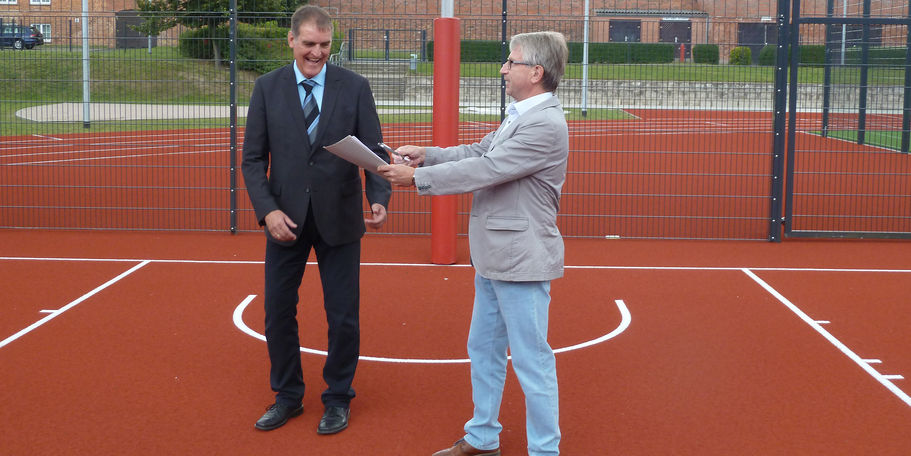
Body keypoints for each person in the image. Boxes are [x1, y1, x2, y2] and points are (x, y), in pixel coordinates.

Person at [378, 31, 569, 456]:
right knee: (482, 350)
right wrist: (429, 154)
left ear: (535, 72)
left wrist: (417, 179)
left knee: (531, 362)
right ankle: (483, 438)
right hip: (495, 257)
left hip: (522, 260)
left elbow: (489, 169)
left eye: (511, 62)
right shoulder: (521, 114)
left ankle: (544, 450)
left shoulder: (546, 124)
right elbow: (480, 150)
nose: (503, 69)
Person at [241, 4, 391, 435]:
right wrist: (267, 210)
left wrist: (377, 195)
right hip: (284, 218)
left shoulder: (354, 87)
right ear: (291, 41)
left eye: (325, 45)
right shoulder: (267, 88)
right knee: (277, 312)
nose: (317, 53)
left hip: (340, 218)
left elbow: (374, 148)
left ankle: (338, 397)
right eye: (309, 44)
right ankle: (288, 396)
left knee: (343, 314)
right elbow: (253, 160)